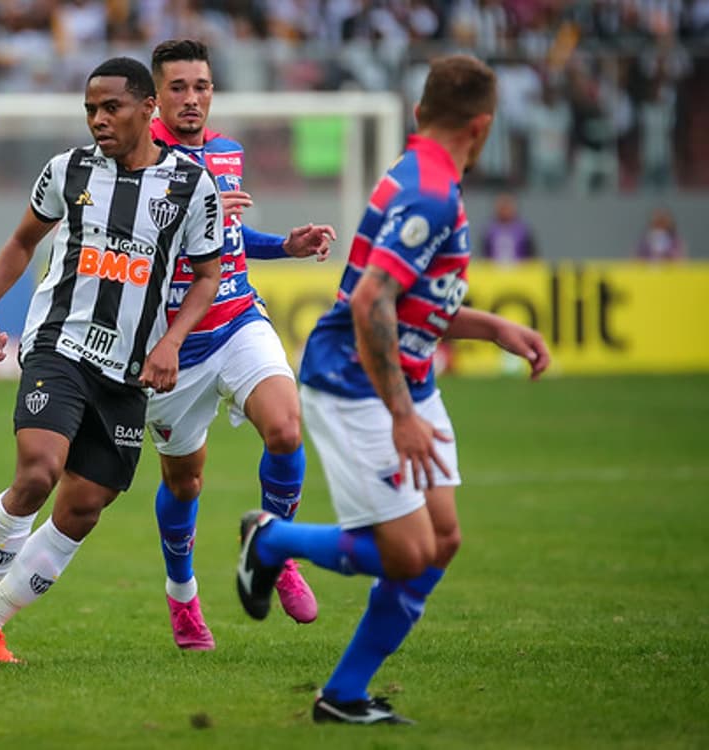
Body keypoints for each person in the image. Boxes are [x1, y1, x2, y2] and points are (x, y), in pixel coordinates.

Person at [234, 55, 551, 725]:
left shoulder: (421, 176)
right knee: (406, 553)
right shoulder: (429, 192)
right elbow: (371, 302)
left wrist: (491, 328)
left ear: (418, 114)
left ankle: (343, 696)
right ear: (484, 125)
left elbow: (405, 300)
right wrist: (401, 414)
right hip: (357, 383)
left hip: (404, 377)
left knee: (441, 541)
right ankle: (270, 542)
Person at [0, 56, 224, 664]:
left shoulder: (192, 184)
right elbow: (22, 240)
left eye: (110, 107)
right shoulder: (66, 171)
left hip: (129, 371)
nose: (98, 119)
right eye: (90, 109)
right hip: (58, 344)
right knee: (39, 470)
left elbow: (206, 274)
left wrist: (170, 342)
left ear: (148, 109)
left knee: (83, 507)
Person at [144, 39, 338, 651]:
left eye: (201, 86)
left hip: (236, 320)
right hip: (170, 347)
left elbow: (227, 234)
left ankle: (275, 551)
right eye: (178, 88)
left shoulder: (226, 152)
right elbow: (125, 249)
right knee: (184, 484)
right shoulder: (138, 160)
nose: (192, 99)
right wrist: (189, 216)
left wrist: (286, 245)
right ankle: (183, 600)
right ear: (156, 97)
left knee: (286, 428)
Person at [481, 193, 539, 264]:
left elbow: (532, 256)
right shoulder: (489, 230)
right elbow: (485, 256)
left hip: (520, 272)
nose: (505, 210)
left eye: (507, 206)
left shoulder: (523, 230)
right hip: (494, 272)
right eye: (502, 207)